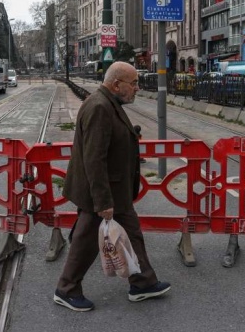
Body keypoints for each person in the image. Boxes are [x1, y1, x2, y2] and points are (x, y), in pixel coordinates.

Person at [54, 61, 170, 312]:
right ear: (117, 84)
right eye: (134, 83)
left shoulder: (109, 103)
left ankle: (143, 282)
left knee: (133, 234)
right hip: (102, 192)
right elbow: (94, 158)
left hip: (115, 190)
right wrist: (103, 201)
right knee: (86, 241)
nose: (137, 88)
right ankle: (66, 289)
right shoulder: (99, 107)